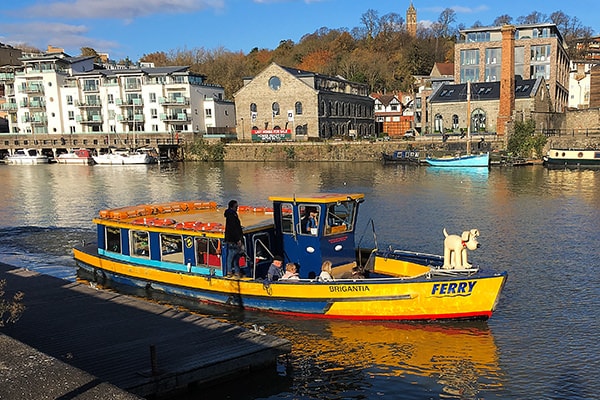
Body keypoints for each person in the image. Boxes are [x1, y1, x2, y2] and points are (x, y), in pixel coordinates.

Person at [224, 200, 243, 277]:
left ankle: (236, 272)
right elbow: (233, 229)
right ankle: (230, 272)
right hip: (233, 240)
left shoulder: (230, 215)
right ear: (232, 207)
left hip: (231, 239)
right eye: (236, 207)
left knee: (235, 256)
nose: (237, 208)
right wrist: (238, 239)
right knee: (232, 256)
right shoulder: (232, 215)